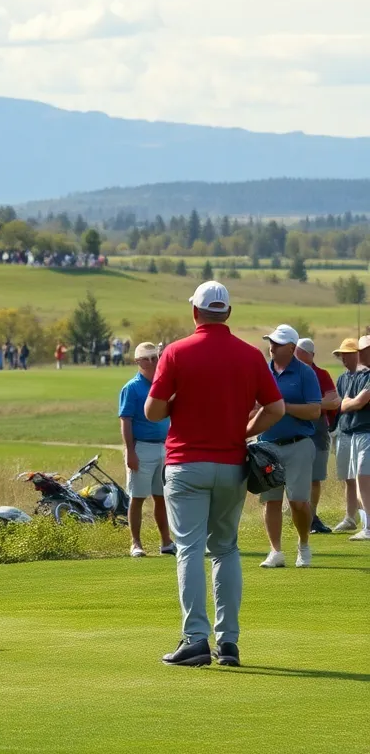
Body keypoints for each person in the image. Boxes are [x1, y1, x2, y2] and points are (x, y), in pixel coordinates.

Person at [145, 281, 283, 668]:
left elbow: (152, 412)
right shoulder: (250, 355)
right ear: (228, 313)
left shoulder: (176, 352)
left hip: (186, 464)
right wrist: (245, 430)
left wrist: (176, 403)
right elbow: (276, 408)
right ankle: (229, 643)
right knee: (225, 549)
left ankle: (195, 639)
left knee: (189, 549)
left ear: (195, 312)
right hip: (232, 464)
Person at [255, 325, 321, 568]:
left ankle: (303, 544)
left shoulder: (305, 373)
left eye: (278, 343)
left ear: (292, 348)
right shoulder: (263, 372)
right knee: (271, 500)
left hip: (298, 444)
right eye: (271, 342)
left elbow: (314, 411)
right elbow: (253, 406)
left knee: (298, 502)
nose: (271, 346)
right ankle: (276, 551)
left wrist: (282, 407)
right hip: (267, 446)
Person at [117, 343, 174, 559]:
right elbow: (126, 421)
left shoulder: (164, 384)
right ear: (137, 362)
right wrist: (130, 451)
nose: (151, 362)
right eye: (146, 359)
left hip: (164, 447)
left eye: (154, 358)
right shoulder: (131, 388)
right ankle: (136, 543)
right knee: (138, 497)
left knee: (161, 497)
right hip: (141, 447)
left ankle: (166, 542)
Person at [294, 338, 340, 534]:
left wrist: (309, 404)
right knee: (295, 476)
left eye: (300, 352)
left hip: (317, 430)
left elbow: (334, 402)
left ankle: (312, 516)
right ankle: (300, 514)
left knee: (315, 478)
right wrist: (315, 404)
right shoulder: (289, 373)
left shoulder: (321, 374)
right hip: (295, 429)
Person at [330, 337, 367, 533]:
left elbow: (353, 404)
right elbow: (339, 406)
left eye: (347, 354)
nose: (344, 358)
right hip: (345, 431)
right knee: (348, 477)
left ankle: (363, 518)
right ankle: (351, 516)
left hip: (362, 431)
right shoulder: (342, 378)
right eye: (341, 355)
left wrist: (348, 403)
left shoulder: (365, 376)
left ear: (357, 355)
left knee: (362, 477)